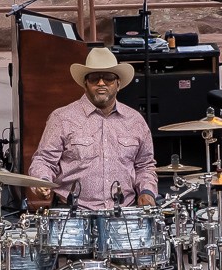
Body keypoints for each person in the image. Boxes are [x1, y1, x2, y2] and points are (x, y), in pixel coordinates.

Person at [28, 46, 159, 211]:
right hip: (73, 214)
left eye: (108, 78)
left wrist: (147, 191)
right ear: (85, 83)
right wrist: (42, 181)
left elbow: (145, 165)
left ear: (118, 84)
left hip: (125, 213)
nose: (101, 83)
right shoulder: (61, 118)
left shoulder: (135, 120)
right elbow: (44, 160)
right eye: (94, 78)